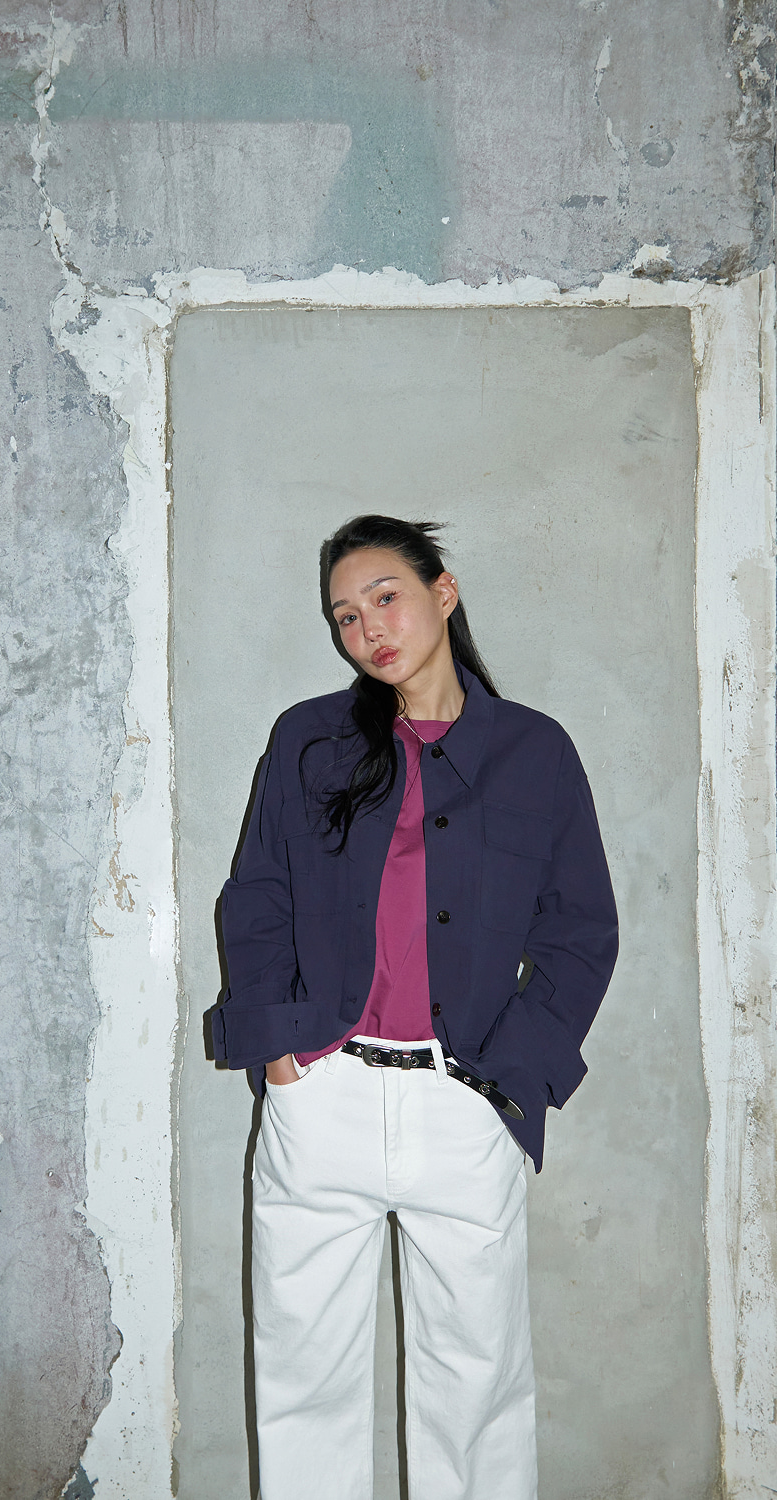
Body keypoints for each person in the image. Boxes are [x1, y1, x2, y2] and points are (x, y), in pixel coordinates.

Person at [212, 514, 618, 1500]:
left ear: (443, 592)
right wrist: (280, 1059)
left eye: (384, 597)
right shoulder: (308, 740)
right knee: (304, 1383)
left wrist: (513, 1076)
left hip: (463, 1098)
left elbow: (580, 930)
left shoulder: (534, 752)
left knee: (475, 1389)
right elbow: (257, 899)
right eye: (345, 617)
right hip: (323, 1095)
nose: (366, 630)